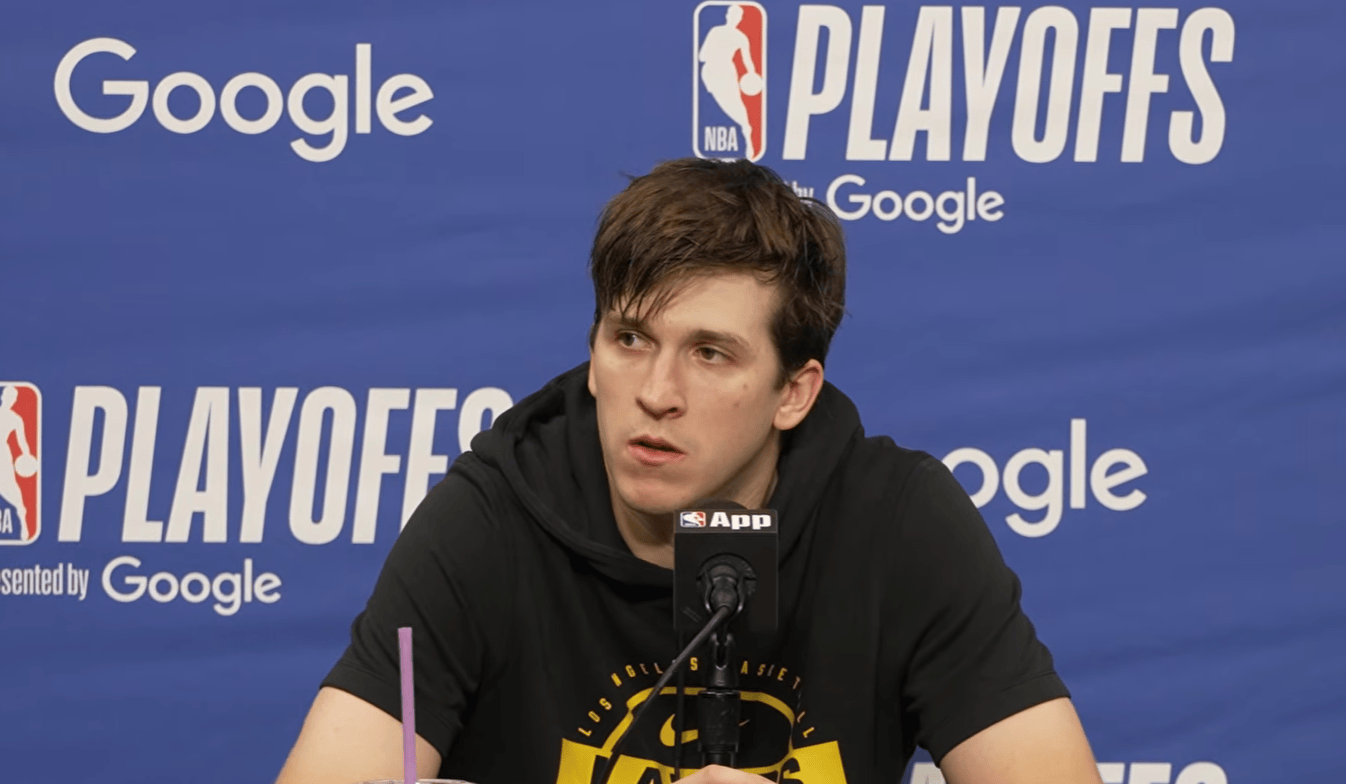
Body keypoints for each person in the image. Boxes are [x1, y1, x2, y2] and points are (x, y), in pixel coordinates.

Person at [275, 158, 1105, 784]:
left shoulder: (895, 522)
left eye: (711, 354)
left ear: (793, 392)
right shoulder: (493, 515)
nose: (656, 394)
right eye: (630, 340)